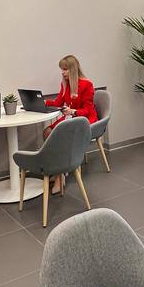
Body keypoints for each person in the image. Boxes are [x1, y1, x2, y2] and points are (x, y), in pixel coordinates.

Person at [43, 55, 97, 194]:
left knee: (59, 137)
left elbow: (88, 110)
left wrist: (73, 111)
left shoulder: (87, 85)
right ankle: (57, 170)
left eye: (65, 69)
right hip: (71, 118)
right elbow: (58, 103)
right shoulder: (65, 84)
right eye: (62, 69)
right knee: (47, 132)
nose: (63, 72)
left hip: (83, 119)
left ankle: (59, 176)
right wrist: (44, 102)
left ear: (73, 69)